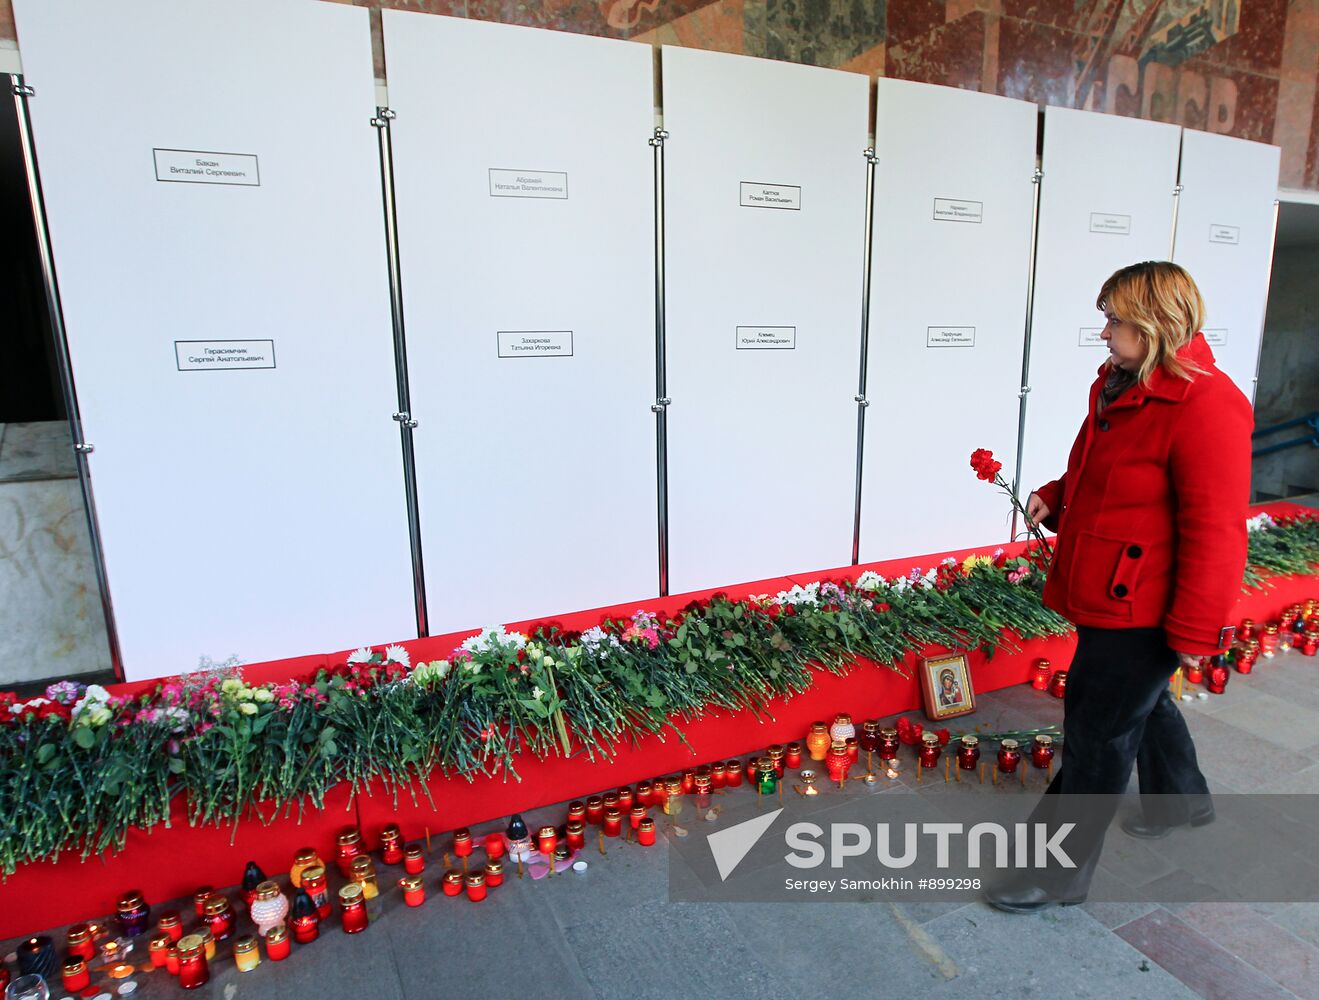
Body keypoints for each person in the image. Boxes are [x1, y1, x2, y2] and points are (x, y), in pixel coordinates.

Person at [986, 261, 1253, 914]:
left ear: (1155, 325)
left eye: (1115, 320)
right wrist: (1055, 494)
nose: (1103, 332)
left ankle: (1056, 874)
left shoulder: (1206, 403)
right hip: (1107, 588)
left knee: (1096, 735)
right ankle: (1180, 800)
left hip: (1145, 604)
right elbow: (1097, 466)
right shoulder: (1119, 383)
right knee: (1135, 701)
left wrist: (1195, 632)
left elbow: (1216, 531)